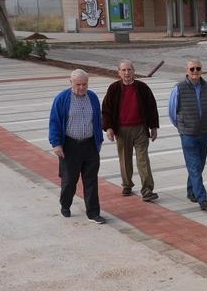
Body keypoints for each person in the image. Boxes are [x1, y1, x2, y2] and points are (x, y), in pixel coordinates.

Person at [49, 70, 106, 224]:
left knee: (91, 180)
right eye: (78, 84)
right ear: (71, 82)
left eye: (84, 84)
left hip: (89, 145)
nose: (82, 88)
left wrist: (99, 139)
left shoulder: (92, 97)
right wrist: (56, 144)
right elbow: (54, 121)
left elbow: (98, 119)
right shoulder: (62, 98)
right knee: (69, 180)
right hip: (70, 145)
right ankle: (65, 204)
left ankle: (93, 212)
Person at [102, 60, 160, 202]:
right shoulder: (114, 88)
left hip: (140, 128)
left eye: (129, 70)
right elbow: (106, 110)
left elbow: (152, 107)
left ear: (134, 71)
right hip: (121, 129)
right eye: (124, 70)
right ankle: (127, 185)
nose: (127, 73)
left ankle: (147, 190)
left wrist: (153, 127)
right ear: (119, 73)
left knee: (143, 160)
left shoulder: (142, 88)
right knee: (124, 159)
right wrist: (109, 128)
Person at [169, 59, 207, 210]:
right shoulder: (179, 88)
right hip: (188, 134)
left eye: (198, 68)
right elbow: (172, 112)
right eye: (192, 69)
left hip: (205, 132)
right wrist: (181, 126)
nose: (195, 71)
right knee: (194, 166)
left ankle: (191, 192)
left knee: (198, 165)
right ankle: (202, 198)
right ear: (186, 70)